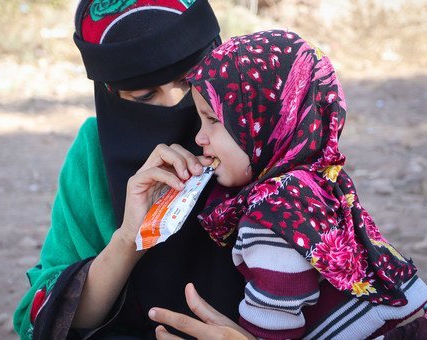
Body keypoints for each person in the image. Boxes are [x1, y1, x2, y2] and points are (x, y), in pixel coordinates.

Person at [182, 30, 427, 339]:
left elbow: (272, 330)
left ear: (265, 118)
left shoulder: (270, 214)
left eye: (214, 120)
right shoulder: (315, 179)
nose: (199, 138)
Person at [13, 0, 250, 338]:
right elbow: (42, 318)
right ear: (110, 94)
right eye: (144, 96)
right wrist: (128, 238)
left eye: (189, 81)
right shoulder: (95, 151)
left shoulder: (264, 133)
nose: (175, 105)